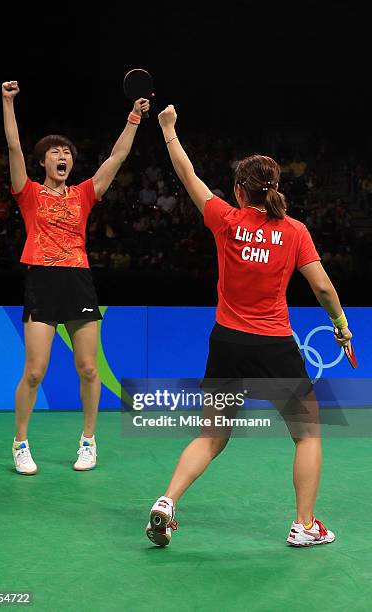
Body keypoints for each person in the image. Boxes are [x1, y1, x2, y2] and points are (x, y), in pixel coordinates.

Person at [146, 104, 353, 548]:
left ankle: (167, 500)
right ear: (274, 189)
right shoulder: (295, 231)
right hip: (274, 346)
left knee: (212, 433)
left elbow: (188, 176)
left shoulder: (225, 219)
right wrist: (340, 325)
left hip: (227, 344)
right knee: (307, 432)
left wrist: (168, 131)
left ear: (240, 190)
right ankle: (304, 525)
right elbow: (324, 289)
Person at [1, 80, 149, 475]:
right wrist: (7, 102)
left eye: (66, 151)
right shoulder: (28, 193)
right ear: (43, 163)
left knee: (88, 368)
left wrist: (134, 117)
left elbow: (117, 157)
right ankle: (20, 442)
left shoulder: (84, 193)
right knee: (34, 371)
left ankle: (88, 441)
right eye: (55, 152)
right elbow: (14, 148)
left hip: (78, 280)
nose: (62, 155)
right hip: (42, 280)